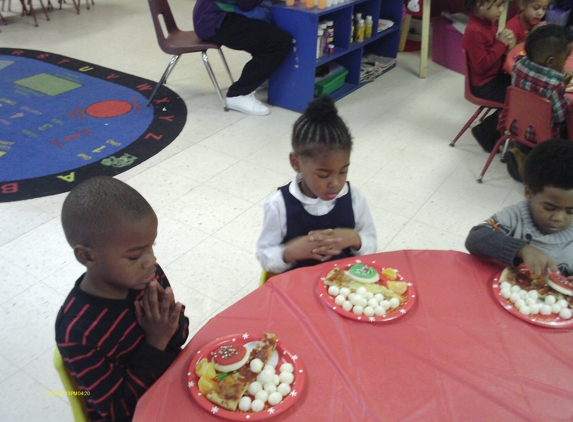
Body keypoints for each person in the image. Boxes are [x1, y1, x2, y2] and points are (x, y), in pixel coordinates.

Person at [55, 177, 189, 422]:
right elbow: (118, 412)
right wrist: (156, 341)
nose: (151, 259)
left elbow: (181, 336)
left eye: (152, 246)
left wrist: (171, 324)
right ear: (86, 256)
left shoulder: (148, 277)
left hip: (177, 387)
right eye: (136, 255)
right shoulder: (79, 331)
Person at [256, 96, 377, 273]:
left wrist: (354, 239)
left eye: (343, 172)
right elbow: (265, 256)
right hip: (297, 289)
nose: (335, 183)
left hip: (344, 289)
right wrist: (290, 252)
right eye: (323, 175)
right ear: (296, 163)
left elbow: (371, 245)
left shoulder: (354, 199)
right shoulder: (279, 205)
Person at [465, 138, 573, 279]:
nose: (559, 218)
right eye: (549, 208)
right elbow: (476, 238)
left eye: (570, 211)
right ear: (529, 193)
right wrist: (521, 249)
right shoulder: (515, 217)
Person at [193, 0, 292, 116]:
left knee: (272, 32)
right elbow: (246, 4)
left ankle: (261, 77)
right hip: (214, 20)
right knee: (279, 41)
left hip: (216, 15)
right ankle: (238, 94)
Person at [503, 24, 573, 182]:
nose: (564, 63)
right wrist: (563, 88)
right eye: (565, 58)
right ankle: (529, 165)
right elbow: (560, 116)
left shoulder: (519, 65)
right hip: (543, 135)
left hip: (516, 124)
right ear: (550, 61)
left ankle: (520, 151)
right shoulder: (555, 83)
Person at [462, 0, 516, 152]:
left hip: (494, 77)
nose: (501, 10)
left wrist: (505, 44)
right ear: (480, 4)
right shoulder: (474, 31)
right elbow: (481, 66)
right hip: (484, 85)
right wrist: (501, 44)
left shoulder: (488, 23)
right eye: (498, 5)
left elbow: (493, 52)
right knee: (519, 99)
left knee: (523, 87)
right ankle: (484, 132)